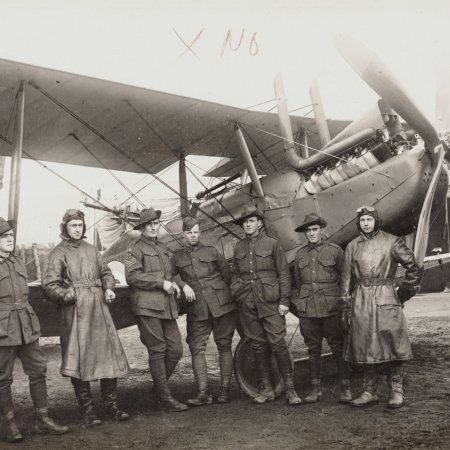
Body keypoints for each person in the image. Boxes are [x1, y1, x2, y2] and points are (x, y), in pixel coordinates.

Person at [43, 209, 130, 426]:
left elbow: (107, 273)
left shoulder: (92, 250)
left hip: (99, 311)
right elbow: (49, 286)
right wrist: (70, 294)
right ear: (65, 227)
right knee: (79, 359)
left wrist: (109, 287)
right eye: (73, 225)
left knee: (107, 356)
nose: (77, 229)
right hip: (75, 314)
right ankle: (89, 411)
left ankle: (112, 407)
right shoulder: (57, 254)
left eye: (80, 225)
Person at [340, 205, 422, 409]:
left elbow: (413, 267)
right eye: (362, 220)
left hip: (386, 297)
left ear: (376, 221)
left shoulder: (392, 241)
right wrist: (346, 306)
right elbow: (346, 280)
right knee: (366, 344)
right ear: (358, 223)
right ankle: (370, 391)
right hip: (360, 300)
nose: (365, 223)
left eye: (369, 219)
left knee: (391, 343)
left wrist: (402, 293)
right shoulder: (352, 246)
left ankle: (396, 391)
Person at [0, 217, 68, 443]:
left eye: (11, 236)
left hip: (25, 325)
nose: (10, 240)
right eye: (4, 237)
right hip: (2, 328)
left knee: (38, 370)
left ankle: (42, 419)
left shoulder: (17, 261)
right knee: (3, 378)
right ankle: (9, 424)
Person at [231, 205, 301, 406]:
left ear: (259, 223)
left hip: (271, 303)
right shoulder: (238, 247)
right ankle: (266, 389)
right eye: (245, 222)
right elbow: (235, 275)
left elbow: (283, 274)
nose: (248, 225)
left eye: (251, 221)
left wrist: (284, 301)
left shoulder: (272, 244)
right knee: (257, 345)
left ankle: (290, 389)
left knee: (278, 344)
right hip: (248, 303)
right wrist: (239, 293)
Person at [125, 207, 187, 412]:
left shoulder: (163, 247)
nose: (153, 227)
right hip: (146, 306)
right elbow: (132, 277)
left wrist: (180, 283)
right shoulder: (134, 250)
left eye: (156, 223)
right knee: (158, 349)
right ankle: (165, 396)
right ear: (142, 228)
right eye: (149, 224)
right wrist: (160, 283)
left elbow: (172, 272)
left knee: (176, 349)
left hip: (166, 306)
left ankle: (158, 391)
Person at [172, 217, 236, 405]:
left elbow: (226, 274)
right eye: (189, 233)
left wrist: (223, 294)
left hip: (221, 305)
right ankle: (202, 393)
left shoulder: (211, 251)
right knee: (196, 348)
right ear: (183, 234)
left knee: (224, 345)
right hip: (197, 308)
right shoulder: (177, 256)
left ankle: (225, 391)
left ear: (200, 233)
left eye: (196, 232)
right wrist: (183, 285)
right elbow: (171, 274)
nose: (193, 236)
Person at [293, 213, 351, 404]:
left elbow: (346, 278)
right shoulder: (300, 254)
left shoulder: (335, 251)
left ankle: (345, 387)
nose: (311, 233)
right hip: (308, 309)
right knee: (313, 349)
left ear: (321, 230)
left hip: (330, 307)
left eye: (314, 229)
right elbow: (299, 283)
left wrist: (342, 302)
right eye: (308, 230)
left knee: (337, 346)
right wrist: (301, 303)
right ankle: (315, 389)